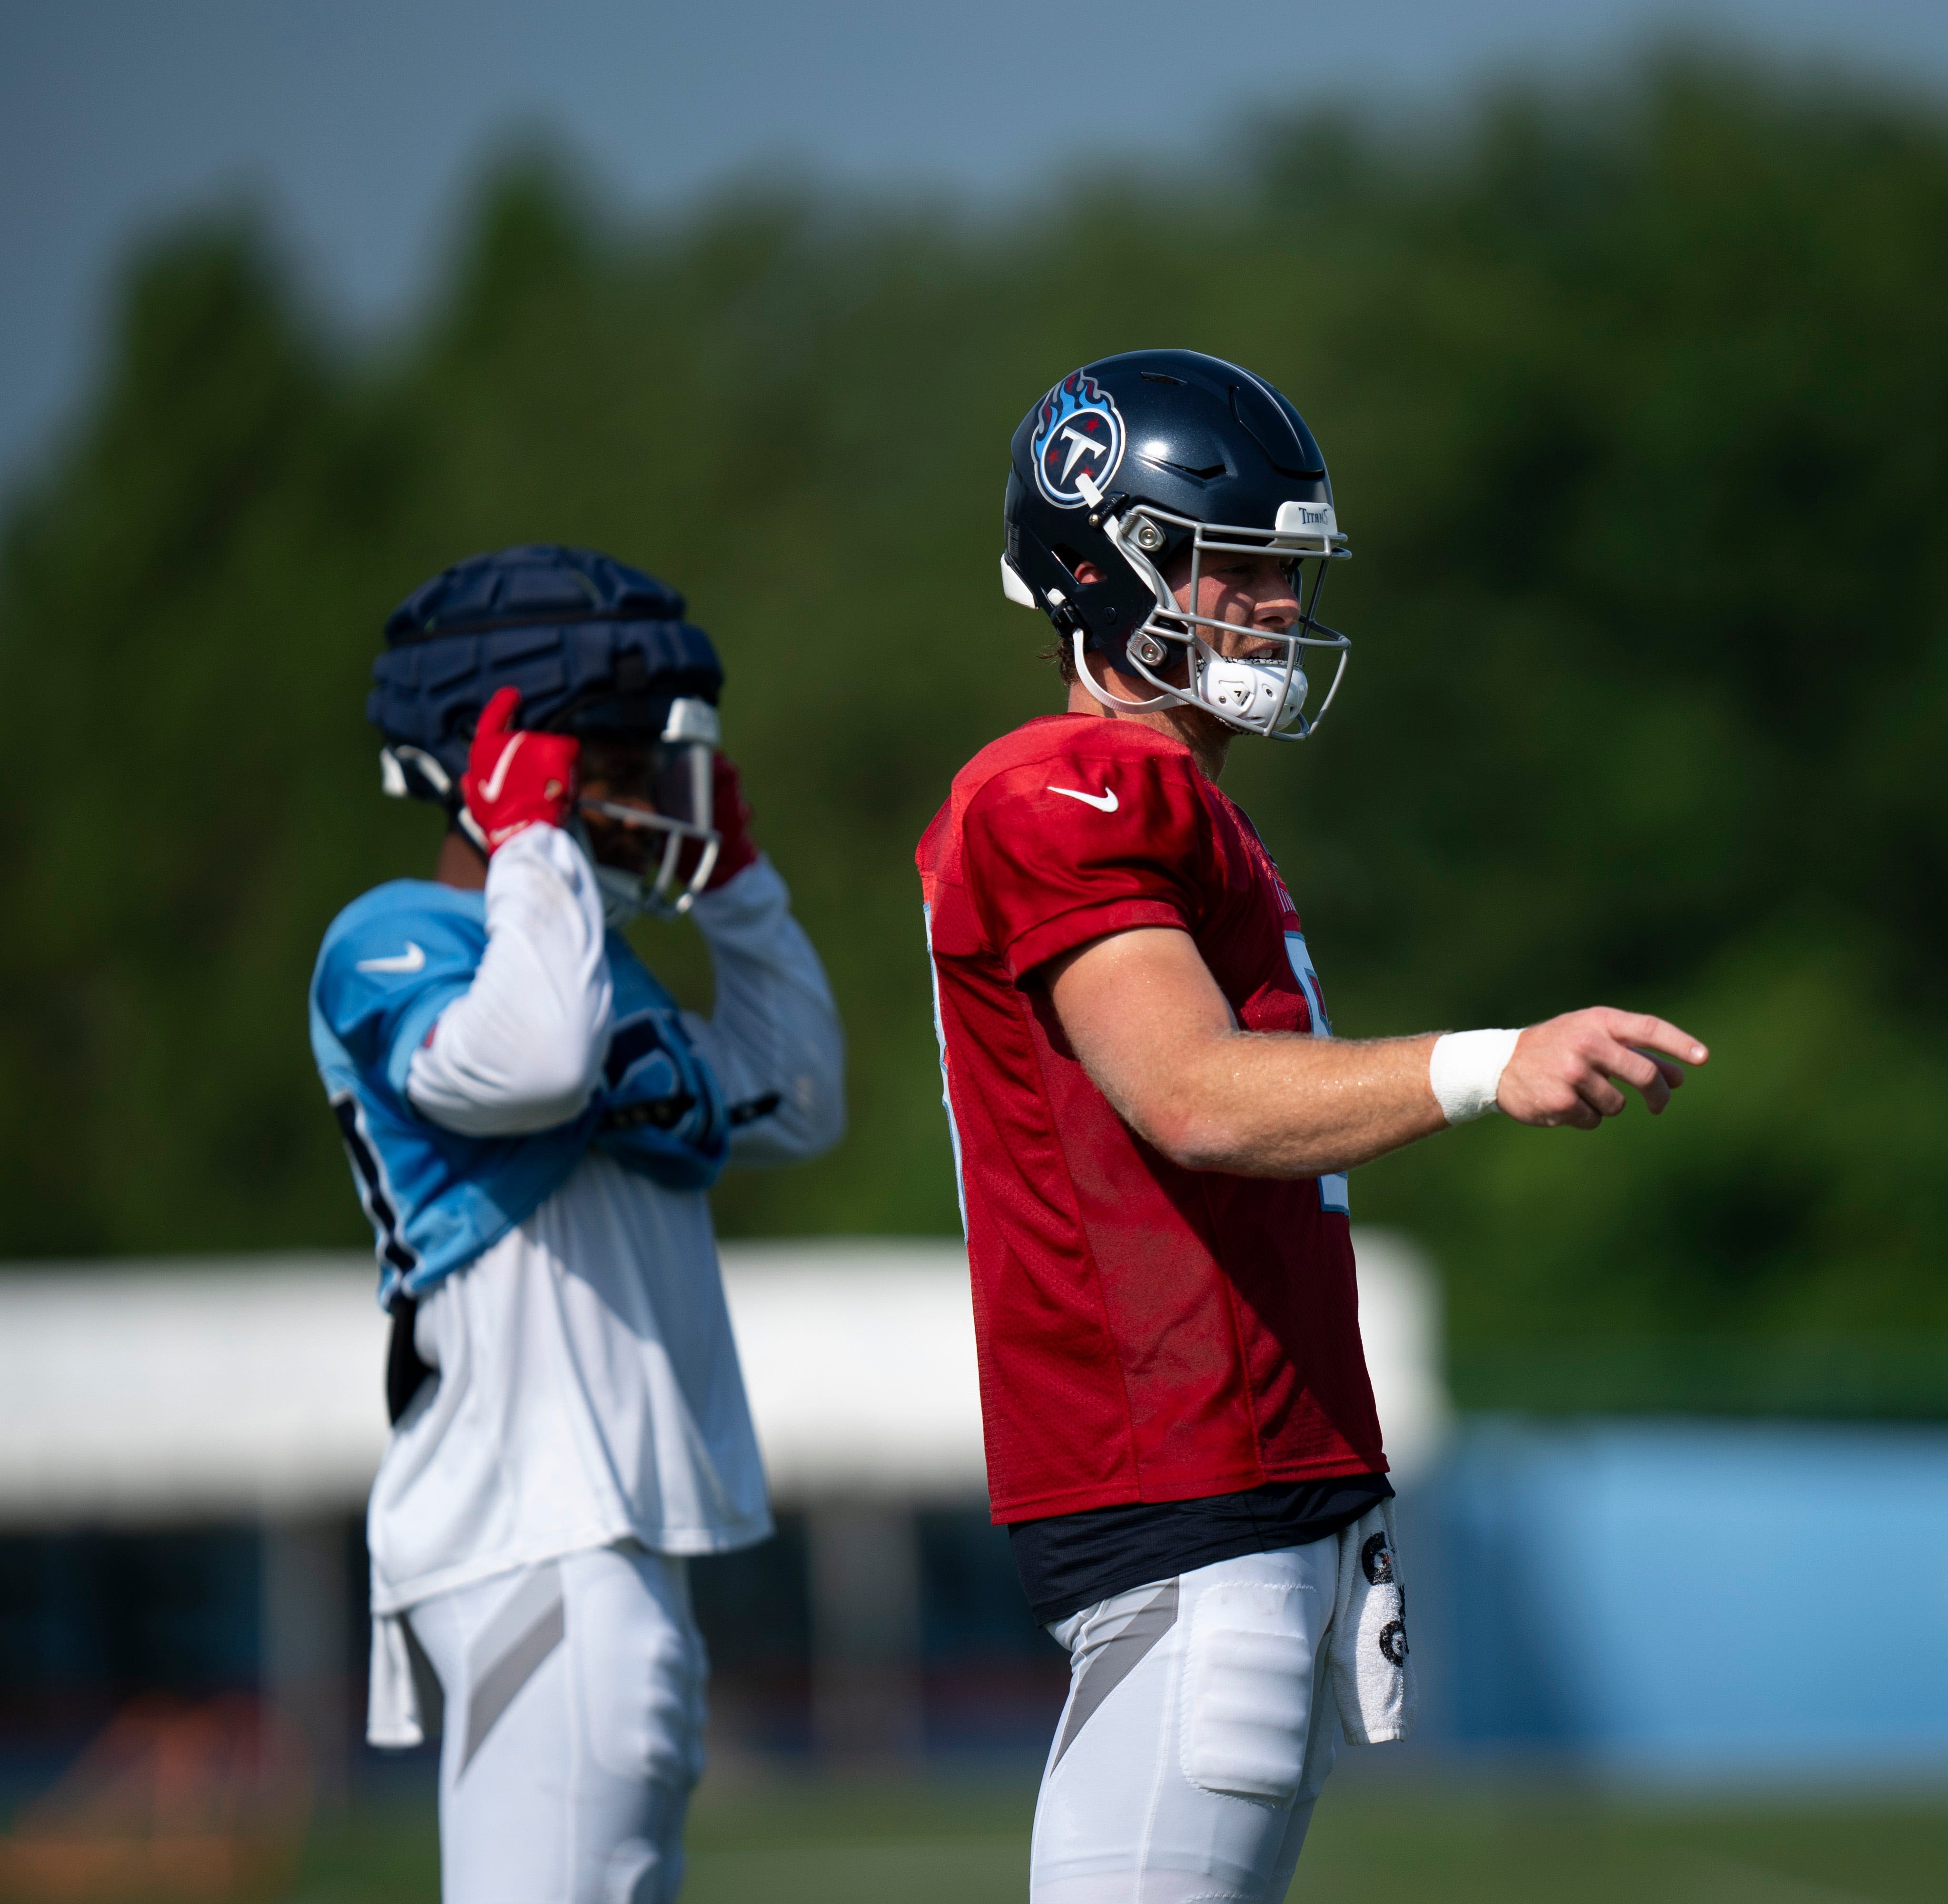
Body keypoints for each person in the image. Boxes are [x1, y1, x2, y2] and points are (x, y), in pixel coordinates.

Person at [916, 351, 1708, 1904]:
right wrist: (1489, 1064)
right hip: (1188, 1490)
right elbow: (1193, 1094)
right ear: (1104, 563)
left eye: (1289, 570)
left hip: (1230, 1497)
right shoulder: (1064, 783)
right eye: (1241, 565)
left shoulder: (1187, 807)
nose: (1276, 604)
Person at [310, 544, 844, 1904]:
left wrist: (737, 887)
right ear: (493, 755)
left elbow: (803, 1095)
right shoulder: (391, 939)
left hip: (610, 1545)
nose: (642, 787)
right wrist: (534, 839)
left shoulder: (589, 963)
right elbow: (539, 1060)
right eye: (607, 754)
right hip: (524, 1533)